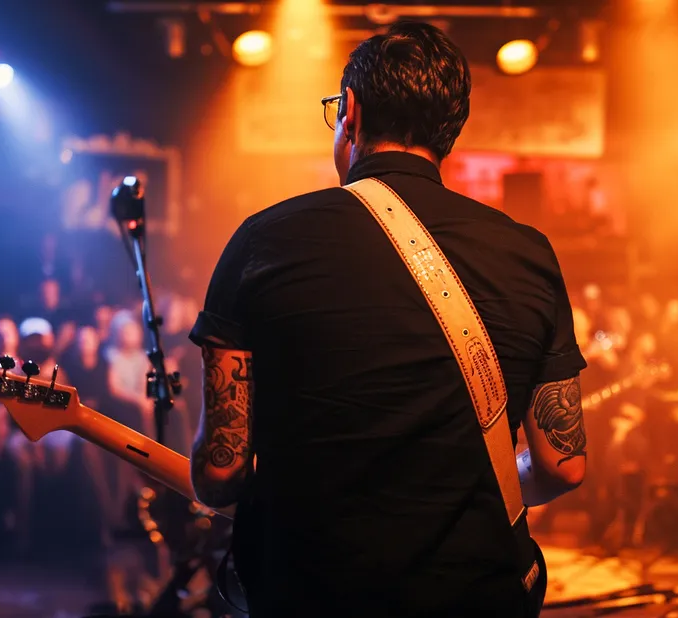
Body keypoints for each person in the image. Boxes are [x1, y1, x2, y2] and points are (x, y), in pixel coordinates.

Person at [189, 21, 587, 618]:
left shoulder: (265, 241)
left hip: (311, 592)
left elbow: (221, 472)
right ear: (449, 127)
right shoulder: (528, 252)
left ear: (349, 111)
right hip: (476, 595)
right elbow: (563, 464)